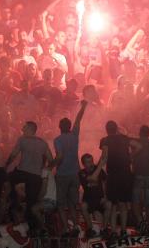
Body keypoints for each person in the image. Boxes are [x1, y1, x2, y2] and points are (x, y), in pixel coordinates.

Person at [6, 121, 54, 231]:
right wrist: (45, 169)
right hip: (35, 176)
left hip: (22, 173)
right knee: (31, 202)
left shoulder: (22, 140)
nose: (22, 128)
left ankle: (14, 206)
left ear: (30, 129)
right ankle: (32, 229)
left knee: (8, 178)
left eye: (24, 127)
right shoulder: (42, 143)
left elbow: (13, 155)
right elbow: (51, 160)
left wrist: (6, 165)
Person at [99, 120, 140, 237]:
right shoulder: (124, 138)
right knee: (123, 204)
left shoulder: (105, 140)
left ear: (106, 130)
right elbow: (139, 146)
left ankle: (113, 231)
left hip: (113, 176)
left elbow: (104, 157)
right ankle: (123, 230)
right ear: (116, 129)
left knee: (113, 204)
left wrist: (96, 172)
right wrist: (130, 156)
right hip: (125, 175)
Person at [54, 99, 87, 236]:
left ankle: (66, 229)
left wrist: (51, 166)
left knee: (61, 204)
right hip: (75, 174)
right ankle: (75, 227)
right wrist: (83, 107)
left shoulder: (57, 140)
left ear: (59, 127)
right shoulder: (74, 135)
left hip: (62, 175)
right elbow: (78, 119)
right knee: (73, 203)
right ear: (69, 126)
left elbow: (59, 156)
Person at [79, 153, 110, 238]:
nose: (91, 163)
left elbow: (104, 182)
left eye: (91, 161)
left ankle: (104, 229)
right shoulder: (82, 173)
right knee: (83, 205)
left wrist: (105, 196)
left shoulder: (98, 169)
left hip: (100, 199)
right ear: (83, 164)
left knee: (108, 204)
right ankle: (90, 229)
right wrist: (100, 165)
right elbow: (92, 178)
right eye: (88, 162)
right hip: (89, 200)